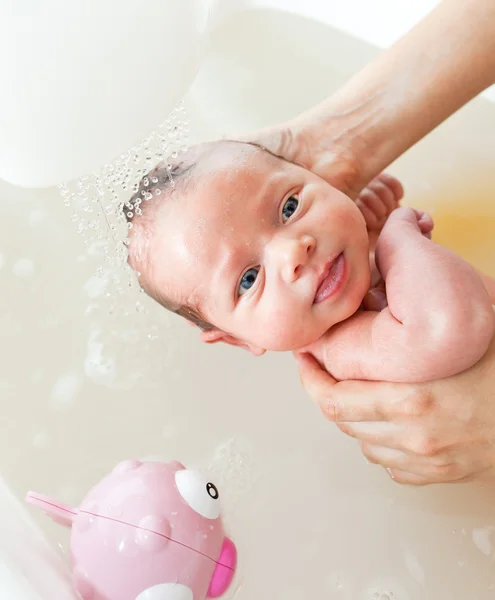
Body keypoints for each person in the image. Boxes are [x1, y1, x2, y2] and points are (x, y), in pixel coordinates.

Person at [241, 0, 495, 485]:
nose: (293, 251)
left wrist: (368, 239)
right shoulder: (339, 344)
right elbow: (446, 327)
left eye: (289, 207)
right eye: (249, 279)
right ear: (238, 339)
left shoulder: (340, 306)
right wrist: (400, 240)